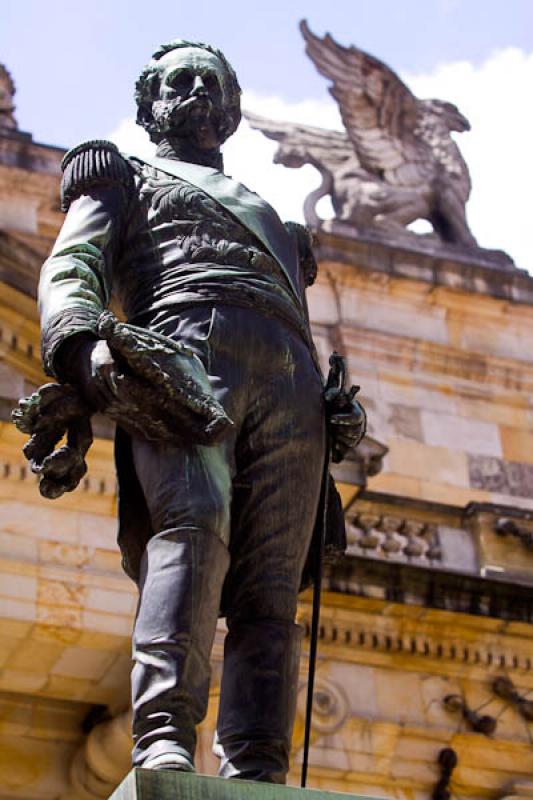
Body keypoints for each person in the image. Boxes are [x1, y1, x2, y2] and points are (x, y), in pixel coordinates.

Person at [37, 39, 365, 783]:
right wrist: (81, 341)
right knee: (190, 536)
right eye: (178, 82)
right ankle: (164, 740)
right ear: (148, 104)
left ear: (233, 109)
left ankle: (256, 764)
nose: (195, 93)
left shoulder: (279, 226)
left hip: (289, 390)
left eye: (210, 84)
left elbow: (294, 323)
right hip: (182, 358)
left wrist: (331, 407)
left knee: (269, 589)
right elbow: (72, 264)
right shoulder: (118, 175)